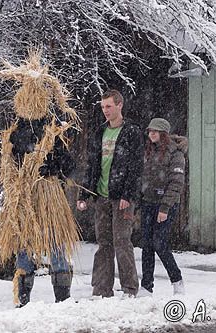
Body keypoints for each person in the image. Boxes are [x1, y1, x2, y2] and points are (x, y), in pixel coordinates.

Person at [77, 89, 143, 298]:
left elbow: (135, 167)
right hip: (102, 195)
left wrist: (128, 195)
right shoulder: (100, 132)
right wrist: (84, 193)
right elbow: (93, 165)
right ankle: (102, 288)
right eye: (103, 107)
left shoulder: (131, 131)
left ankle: (130, 288)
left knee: (122, 240)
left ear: (119, 105)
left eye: (109, 106)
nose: (105, 110)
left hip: (121, 196)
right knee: (103, 242)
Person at [10, 116, 76, 307]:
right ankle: (26, 298)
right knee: (27, 244)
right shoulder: (20, 130)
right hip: (27, 197)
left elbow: (69, 165)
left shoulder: (53, 130)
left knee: (51, 242)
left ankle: (59, 298)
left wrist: (52, 166)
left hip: (48, 197)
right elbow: (11, 161)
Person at [137, 118, 187, 297]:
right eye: (150, 131)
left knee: (160, 243)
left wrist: (165, 207)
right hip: (148, 202)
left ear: (164, 134)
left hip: (166, 204)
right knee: (147, 245)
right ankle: (146, 286)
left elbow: (176, 183)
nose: (152, 134)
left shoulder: (176, 154)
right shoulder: (148, 151)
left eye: (156, 131)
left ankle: (177, 279)